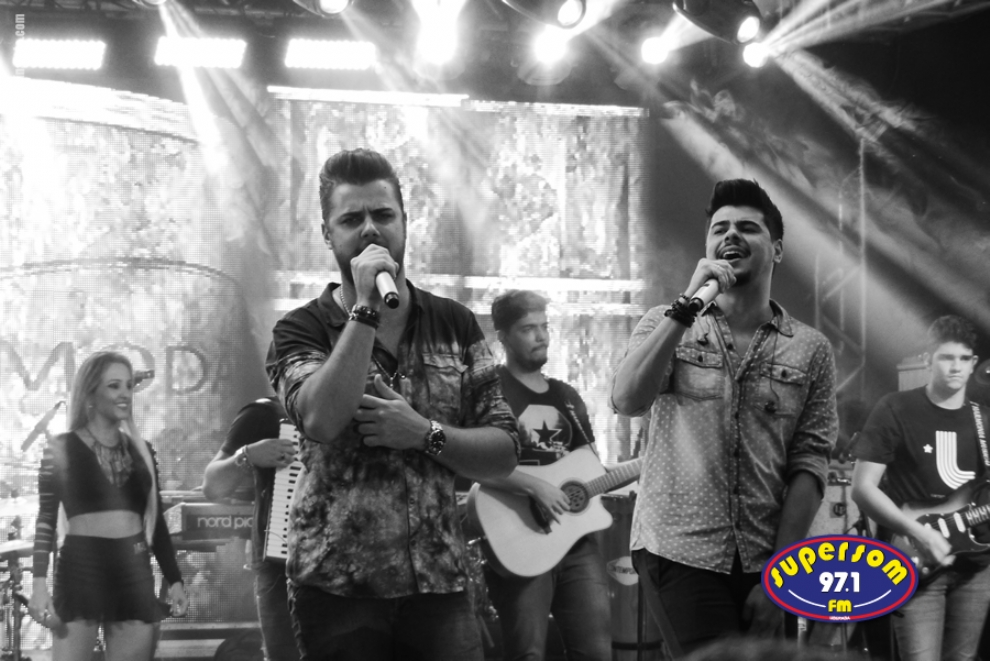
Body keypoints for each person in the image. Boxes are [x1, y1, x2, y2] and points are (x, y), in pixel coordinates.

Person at [266, 148, 519, 661]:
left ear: (404, 222)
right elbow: (320, 418)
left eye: (383, 215)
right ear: (327, 234)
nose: (370, 229)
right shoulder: (300, 329)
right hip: (337, 592)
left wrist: (425, 433)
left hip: (440, 586)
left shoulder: (455, 324)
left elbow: (504, 452)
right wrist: (364, 309)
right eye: (351, 219)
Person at [610, 179, 837, 658]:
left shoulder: (811, 348)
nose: (731, 235)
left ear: (777, 249)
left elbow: (810, 464)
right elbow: (627, 399)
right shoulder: (665, 322)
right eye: (720, 228)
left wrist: (782, 575)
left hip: (767, 557)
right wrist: (686, 306)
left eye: (747, 227)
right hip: (679, 549)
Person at [478, 289, 613, 661]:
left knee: (597, 654)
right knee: (528, 654)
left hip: (577, 542)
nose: (541, 337)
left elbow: (591, 467)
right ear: (503, 337)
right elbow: (470, 463)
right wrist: (535, 486)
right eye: (528, 329)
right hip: (520, 536)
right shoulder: (489, 393)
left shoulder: (566, 396)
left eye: (545, 326)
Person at [27, 350, 188, 661]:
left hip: (133, 568)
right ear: (90, 393)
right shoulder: (61, 447)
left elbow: (156, 522)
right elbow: (45, 519)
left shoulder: (142, 451)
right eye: (114, 386)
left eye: (128, 386)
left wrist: (175, 578)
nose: (125, 393)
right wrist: (38, 584)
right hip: (81, 567)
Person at [851, 315, 990, 661]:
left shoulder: (984, 419)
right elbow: (863, 488)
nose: (956, 367)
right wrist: (918, 532)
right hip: (914, 561)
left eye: (963, 358)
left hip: (976, 567)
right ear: (928, 360)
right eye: (946, 357)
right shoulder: (895, 408)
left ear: (974, 362)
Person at [202, 397, 300, 661]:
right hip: (280, 565)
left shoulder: (354, 409)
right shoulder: (264, 414)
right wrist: (247, 455)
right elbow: (212, 485)